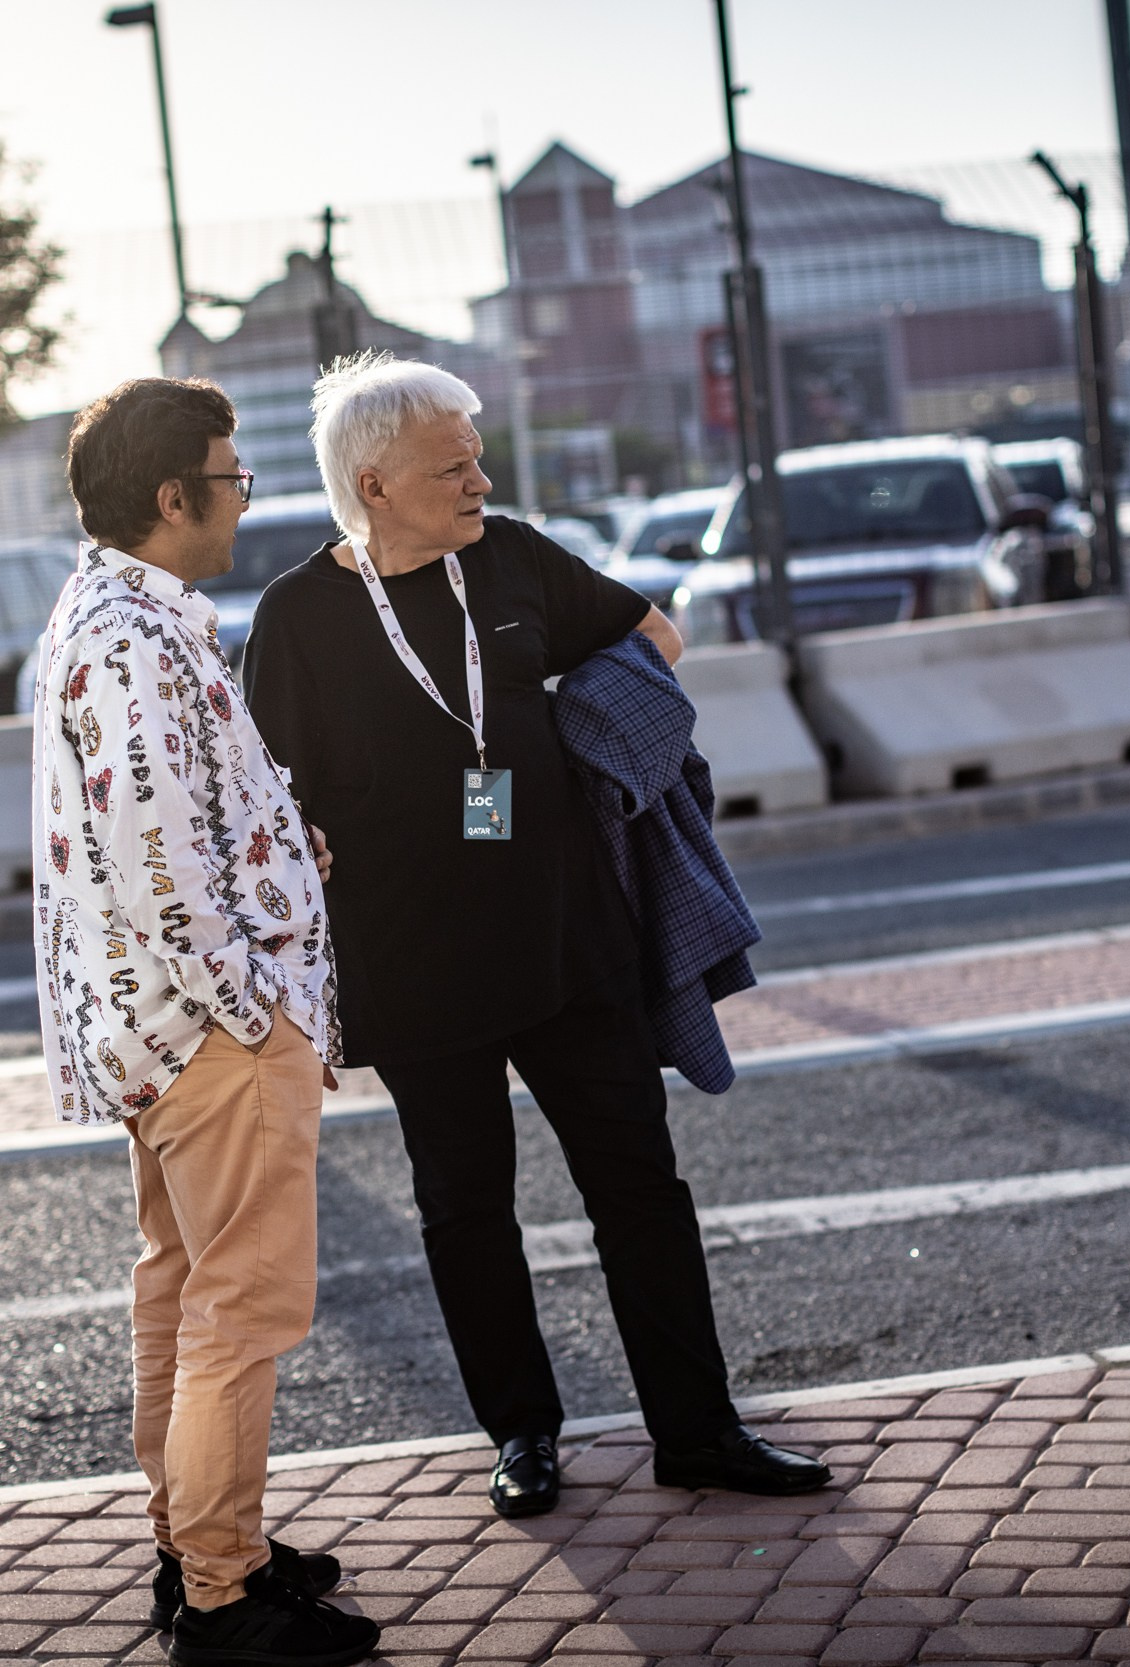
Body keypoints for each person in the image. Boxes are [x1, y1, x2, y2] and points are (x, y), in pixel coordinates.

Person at [241, 353, 829, 1520]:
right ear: (374, 483)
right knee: (466, 1208)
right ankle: (521, 1432)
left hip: (570, 943)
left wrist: (572, 726)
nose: (478, 476)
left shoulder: (507, 557)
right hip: (413, 968)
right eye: (451, 464)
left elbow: (654, 633)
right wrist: (300, 839)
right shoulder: (299, 614)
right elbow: (261, 785)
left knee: (640, 1189)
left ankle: (698, 1430)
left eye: (474, 457)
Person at [33, 377, 379, 1667]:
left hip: (156, 1029)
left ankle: (197, 1546)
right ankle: (225, 1593)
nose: (244, 500)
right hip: (207, 1035)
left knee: (182, 1296)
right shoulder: (135, 638)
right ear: (172, 495)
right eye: (230, 479)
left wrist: (283, 843)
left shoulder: (116, 614)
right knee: (240, 1308)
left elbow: (183, 818)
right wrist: (253, 1006)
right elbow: (157, 855)